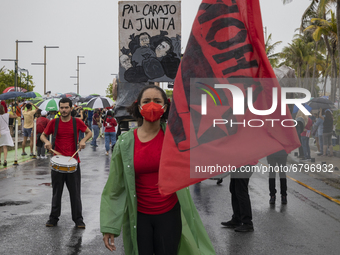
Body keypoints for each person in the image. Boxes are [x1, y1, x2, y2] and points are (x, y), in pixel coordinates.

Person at [100, 85, 215, 254]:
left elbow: (207, 148)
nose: (151, 105)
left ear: (165, 106)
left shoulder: (176, 139)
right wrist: (109, 225)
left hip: (169, 214)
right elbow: (115, 187)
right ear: (138, 106)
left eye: (157, 101)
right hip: (139, 217)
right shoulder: (125, 143)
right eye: (146, 101)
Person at [40, 98, 92, 228]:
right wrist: (46, 142)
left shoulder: (77, 122)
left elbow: (89, 132)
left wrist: (83, 140)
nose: (64, 110)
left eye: (66, 107)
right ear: (59, 109)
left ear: (71, 108)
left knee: (75, 193)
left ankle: (78, 220)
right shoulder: (54, 122)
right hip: (58, 162)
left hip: (73, 162)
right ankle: (53, 218)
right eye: (61, 108)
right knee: (57, 192)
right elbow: (42, 135)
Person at [221, 164, 255, 232]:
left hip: (245, 164)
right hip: (237, 165)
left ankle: (247, 222)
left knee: (241, 192)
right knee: (234, 190)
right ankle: (237, 219)